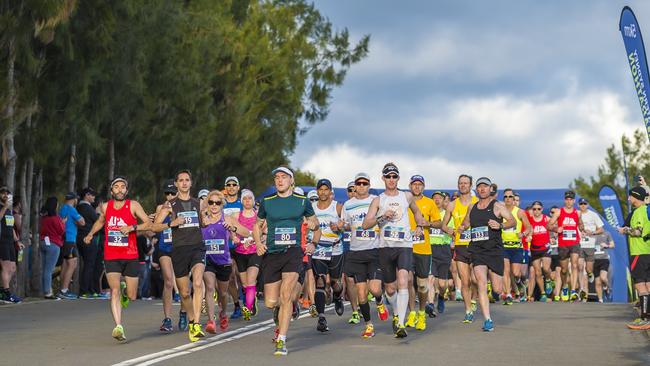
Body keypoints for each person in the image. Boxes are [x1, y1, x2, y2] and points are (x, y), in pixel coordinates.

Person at [253, 166, 320, 355]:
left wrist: (313, 237)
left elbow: (315, 224)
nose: (279, 180)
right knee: (270, 302)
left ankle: (281, 340)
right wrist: (258, 243)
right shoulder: (267, 202)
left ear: (291, 181)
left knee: (286, 296)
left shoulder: (302, 201)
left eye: (283, 177)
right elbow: (257, 226)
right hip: (273, 253)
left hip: (293, 253)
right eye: (277, 178)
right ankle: (285, 308)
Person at [362, 162, 428, 338]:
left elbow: (417, 212)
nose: (391, 179)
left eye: (394, 176)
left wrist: (420, 225)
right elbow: (366, 224)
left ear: (398, 178)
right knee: (390, 289)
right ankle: (396, 314)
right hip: (385, 247)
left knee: (404, 279)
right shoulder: (378, 200)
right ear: (383, 178)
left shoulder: (406, 197)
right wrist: (382, 216)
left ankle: (400, 324)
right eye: (388, 176)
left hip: (404, 245)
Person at [83, 176, 152, 342]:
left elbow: (148, 223)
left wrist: (132, 227)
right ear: (112, 190)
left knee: (132, 295)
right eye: (116, 187)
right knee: (114, 291)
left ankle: (125, 291)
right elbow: (100, 222)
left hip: (130, 255)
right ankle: (118, 326)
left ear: (126, 191)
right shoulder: (106, 207)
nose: (120, 189)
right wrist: (90, 234)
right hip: (111, 255)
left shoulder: (133, 205)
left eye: (123, 187)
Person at [153, 170, 207, 342]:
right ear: (176, 184)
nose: (184, 183)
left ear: (191, 183)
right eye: (181, 180)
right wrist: (172, 223)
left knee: (198, 282)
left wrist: (206, 220)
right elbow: (155, 227)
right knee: (184, 292)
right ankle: (192, 320)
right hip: (179, 250)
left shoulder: (199, 203)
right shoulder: (169, 205)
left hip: (197, 248)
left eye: (187, 180)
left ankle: (197, 323)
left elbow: (204, 222)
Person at [458, 177, 515, 332]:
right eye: (479, 187)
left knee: (497, 289)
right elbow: (466, 222)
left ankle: (495, 291)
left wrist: (500, 224)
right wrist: (461, 228)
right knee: (480, 282)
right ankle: (488, 320)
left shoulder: (497, 206)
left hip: (494, 251)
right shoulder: (472, 207)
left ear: (490, 189)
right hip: (477, 250)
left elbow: (513, 221)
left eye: (485, 187)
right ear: (476, 189)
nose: (482, 189)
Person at [341, 172, 389, 338]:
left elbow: (383, 221)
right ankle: (369, 325)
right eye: (359, 183)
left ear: (369, 185)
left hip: (374, 250)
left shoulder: (376, 201)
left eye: (365, 183)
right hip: (356, 252)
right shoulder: (347, 204)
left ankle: (380, 300)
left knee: (374, 289)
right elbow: (347, 225)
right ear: (355, 186)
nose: (361, 186)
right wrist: (340, 226)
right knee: (361, 294)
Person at [202, 190, 250, 333]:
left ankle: (223, 313)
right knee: (210, 288)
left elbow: (246, 232)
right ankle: (211, 320)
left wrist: (233, 228)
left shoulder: (227, 218)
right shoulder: (203, 219)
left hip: (223, 261)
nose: (214, 205)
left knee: (223, 293)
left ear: (222, 204)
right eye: (211, 202)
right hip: (208, 260)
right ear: (207, 204)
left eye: (217, 202)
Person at [405, 175, 441, 331]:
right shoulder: (404, 201)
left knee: (421, 285)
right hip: (406, 247)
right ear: (410, 186)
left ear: (424, 187)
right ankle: (412, 312)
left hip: (423, 249)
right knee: (407, 281)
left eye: (420, 184)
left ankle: (421, 313)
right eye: (414, 184)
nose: (417, 187)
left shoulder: (429, 203)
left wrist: (428, 223)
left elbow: (439, 223)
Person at [442, 175, 478, 323]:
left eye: (466, 183)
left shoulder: (477, 202)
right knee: (465, 281)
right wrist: (448, 230)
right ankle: (468, 310)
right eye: (461, 183)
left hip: (477, 244)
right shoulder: (452, 205)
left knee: (476, 279)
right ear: (458, 185)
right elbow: (444, 225)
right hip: (461, 245)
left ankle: (474, 299)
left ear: (470, 185)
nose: (463, 185)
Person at [310, 178, 345, 333]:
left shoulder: (337, 207)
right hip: (319, 249)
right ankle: (321, 317)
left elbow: (346, 227)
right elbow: (306, 225)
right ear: (317, 191)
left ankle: (337, 297)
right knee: (320, 281)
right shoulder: (311, 208)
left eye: (326, 189)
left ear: (330, 191)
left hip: (335, 249)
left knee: (336, 282)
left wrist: (339, 227)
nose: (323, 192)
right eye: (320, 189)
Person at [620, 187, 650, 329]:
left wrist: (624, 230)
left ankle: (645, 318)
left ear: (636, 197)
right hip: (647, 252)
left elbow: (638, 231)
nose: (628, 199)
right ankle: (647, 317)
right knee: (648, 284)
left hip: (639, 252)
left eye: (630, 196)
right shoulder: (647, 210)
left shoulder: (638, 212)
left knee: (640, 285)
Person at [153, 180, 179, 332]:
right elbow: (155, 226)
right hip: (164, 248)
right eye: (167, 193)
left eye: (172, 193)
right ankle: (167, 319)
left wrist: (173, 212)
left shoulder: (184, 206)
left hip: (180, 248)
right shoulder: (160, 207)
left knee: (183, 286)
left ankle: (184, 312)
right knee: (169, 281)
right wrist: (161, 214)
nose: (169, 196)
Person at [548, 190, 584, 302]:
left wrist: (582, 228)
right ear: (565, 200)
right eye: (567, 199)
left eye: (571, 200)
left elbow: (580, 223)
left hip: (574, 242)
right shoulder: (559, 212)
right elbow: (548, 225)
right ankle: (564, 286)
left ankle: (573, 290)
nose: (569, 202)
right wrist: (556, 229)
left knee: (574, 265)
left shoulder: (578, 213)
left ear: (573, 201)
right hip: (563, 243)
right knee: (563, 270)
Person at [232, 189, 262, 320]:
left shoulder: (259, 216)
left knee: (251, 281)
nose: (248, 200)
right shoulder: (235, 215)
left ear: (253, 200)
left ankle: (248, 308)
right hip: (240, 252)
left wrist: (257, 240)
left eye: (250, 198)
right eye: (245, 198)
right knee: (244, 284)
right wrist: (233, 237)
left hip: (255, 252)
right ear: (242, 201)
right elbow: (231, 230)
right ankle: (251, 298)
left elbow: (264, 231)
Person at [501, 188, 532, 305]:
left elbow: (529, 227)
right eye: (506, 197)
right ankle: (508, 294)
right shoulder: (500, 211)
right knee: (505, 271)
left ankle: (518, 282)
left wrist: (523, 234)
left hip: (517, 247)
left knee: (516, 273)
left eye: (510, 197)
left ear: (514, 199)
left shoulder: (520, 212)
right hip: (503, 246)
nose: (508, 199)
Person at [223, 176, 245, 320]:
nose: (231, 187)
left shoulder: (243, 204)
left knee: (240, 275)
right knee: (230, 276)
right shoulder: (220, 204)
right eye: (228, 185)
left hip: (241, 244)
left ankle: (249, 297)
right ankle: (237, 305)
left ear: (238, 187)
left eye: (234, 184)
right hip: (225, 244)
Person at [58, 192, 86, 299]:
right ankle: (64, 290)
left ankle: (62, 289)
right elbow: (82, 222)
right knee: (72, 263)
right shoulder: (72, 209)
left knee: (66, 264)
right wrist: (77, 221)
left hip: (64, 239)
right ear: (74, 199)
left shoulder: (62, 208)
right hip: (70, 239)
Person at [430, 191, 454, 315]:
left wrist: (449, 231)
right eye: (435, 198)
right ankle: (430, 304)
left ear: (444, 200)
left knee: (442, 284)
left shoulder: (447, 214)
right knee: (430, 278)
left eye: (440, 198)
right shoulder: (428, 214)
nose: (437, 200)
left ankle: (441, 297)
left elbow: (452, 230)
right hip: (430, 248)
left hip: (444, 249)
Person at [577, 198, 604, 301]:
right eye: (581, 204)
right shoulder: (576, 214)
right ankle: (583, 291)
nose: (583, 205)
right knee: (580, 267)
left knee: (588, 269)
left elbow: (601, 229)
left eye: (584, 203)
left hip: (590, 244)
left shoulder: (593, 215)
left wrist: (592, 233)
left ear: (587, 204)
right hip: (579, 244)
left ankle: (590, 274)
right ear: (578, 205)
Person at [76, 187, 101, 298]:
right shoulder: (87, 207)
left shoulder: (78, 207)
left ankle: (89, 289)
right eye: (92, 195)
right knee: (90, 264)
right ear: (86, 195)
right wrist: (99, 214)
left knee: (87, 264)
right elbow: (98, 222)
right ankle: (84, 291)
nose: (94, 197)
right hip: (89, 238)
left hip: (80, 238)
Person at [526, 201, 553, 302]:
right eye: (534, 209)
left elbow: (554, 227)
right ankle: (543, 293)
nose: (536, 211)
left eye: (538, 209)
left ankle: (549, 280)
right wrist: (528, 236)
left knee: (546, 269)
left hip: (545, 248)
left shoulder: (546, 218)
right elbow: (528, 231)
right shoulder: (530, 220)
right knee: (537, 273)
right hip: (534, 249)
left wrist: (554, 235)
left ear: (542, 209)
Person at [39, 197, 65, 300]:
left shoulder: (43, 218)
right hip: (53, 244)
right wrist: (63, 222)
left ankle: (46, 289)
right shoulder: (56, 218)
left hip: (43, 242)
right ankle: (48, 292)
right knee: (49, 270)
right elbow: (61, 231)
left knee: (45, 268)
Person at [594, 231, 614, 302]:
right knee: (598, 282)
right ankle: (600, 300)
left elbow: (612, 245)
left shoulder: (606, 233)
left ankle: (607, 287)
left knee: (603, 277)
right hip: (593, 260)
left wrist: (607, 245)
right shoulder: (590, 233)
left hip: (604, 259)